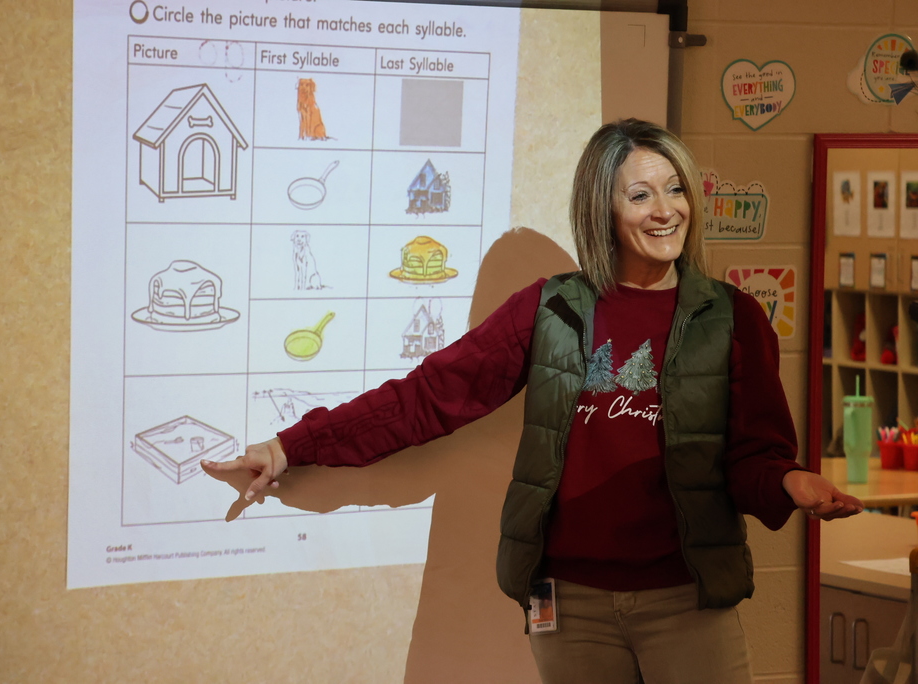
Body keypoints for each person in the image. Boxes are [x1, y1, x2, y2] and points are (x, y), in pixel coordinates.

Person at [202, 118, 863, 683]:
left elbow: (755, 457)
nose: (666, 209)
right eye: (641, 194)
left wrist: (791, 481)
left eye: (676, 188)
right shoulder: (550, 309)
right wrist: (294, 446)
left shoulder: (733, 317)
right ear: (602, 208)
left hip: (686, 600)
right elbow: (428, 398)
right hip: (566, 606)